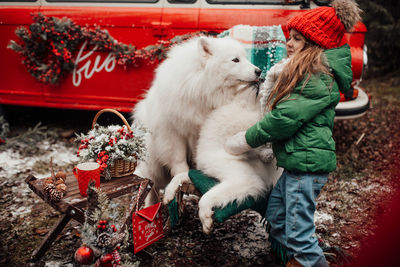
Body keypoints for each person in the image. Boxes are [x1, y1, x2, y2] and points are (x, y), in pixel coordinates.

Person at [224, 0, 362, 266]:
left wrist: (246, 139)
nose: (289, 43)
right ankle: (293, 261)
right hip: (296, 165)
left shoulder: (317, 78)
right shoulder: (304, 73)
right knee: (276, 218)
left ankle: (308, 260)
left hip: (306, 169)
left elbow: (283, 119)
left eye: (297, 39)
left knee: (300, 236)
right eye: (290, 37)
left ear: (313, 45)